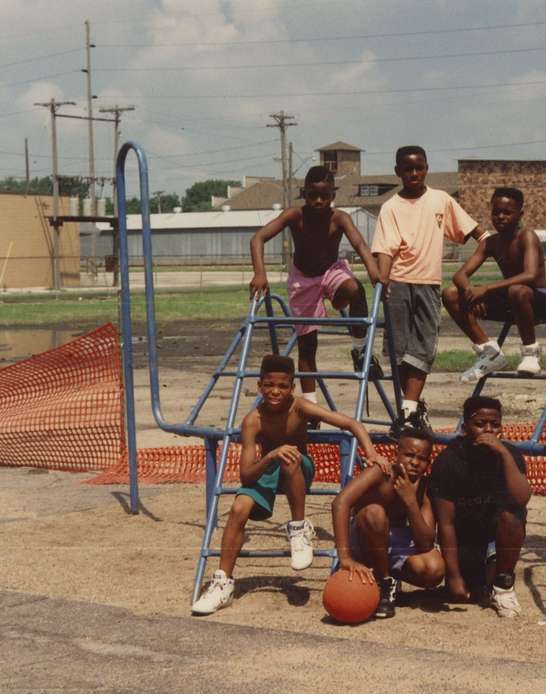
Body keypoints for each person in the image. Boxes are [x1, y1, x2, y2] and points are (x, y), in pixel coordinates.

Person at [191, 354, 389, 616]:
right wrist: (271, 454)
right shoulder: (253, 421)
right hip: (267, 469)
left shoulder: (300, 408)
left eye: (283, 386)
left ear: (292, 388)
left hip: (297, 468)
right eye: (269, 385)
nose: (275, 391)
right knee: (239, 508)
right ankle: (222, 583)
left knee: (291, 458)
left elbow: (351, 423)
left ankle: (299, 528)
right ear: (260, 385)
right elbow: (246, 476)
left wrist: (371, 452)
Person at [372, 145, 487, 436]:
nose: (413, 173)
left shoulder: (441, 200)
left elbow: (473, 231)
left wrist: (491, 243)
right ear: (398, 171)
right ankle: (411, 409)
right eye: (407, 169)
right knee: (399, 352)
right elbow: (385, 249)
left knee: (422, 349)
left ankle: (408, 412)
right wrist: (382, 280)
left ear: (426, 168)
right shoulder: (390, 207)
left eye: (419, 167)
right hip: (398, 283)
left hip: (428, 284)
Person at [249, 166, 383, 410]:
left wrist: (375, 272)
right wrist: (260, 272)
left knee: (355, 289)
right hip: (303, 280)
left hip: (331, 272)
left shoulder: (340, 218)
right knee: (307, 347)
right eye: (313, 195)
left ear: (334, 194)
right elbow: (258, 238)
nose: (319, 201)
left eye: (325, 195)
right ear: (304, 194)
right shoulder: (295, 215)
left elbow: (360, 243)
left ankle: (360, 350)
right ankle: (310, 405)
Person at [430, 396, 531, 618]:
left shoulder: (510, 455)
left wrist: (503, 454)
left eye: (495, 425)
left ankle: (504, 586)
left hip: (495, 539)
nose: (488, 430)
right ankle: (477, 578)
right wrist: (454, 576)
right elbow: (445, 524)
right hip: (464, 540)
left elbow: (522, 499)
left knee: (514, 516)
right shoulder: (449, 461)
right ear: (466, 428)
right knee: (470, 592)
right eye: (480, 424)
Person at [330, 427, 445, 619]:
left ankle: (390, 580)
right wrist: (345, 557)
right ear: (396, 453)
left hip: (394, 545)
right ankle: (384, 583)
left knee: (434, 569)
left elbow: (425, 543)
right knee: (374, 512)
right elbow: (340, 502)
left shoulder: (423, 487)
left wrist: (410, 501)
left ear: (428, 461)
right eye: (409, 455)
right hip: (365, 540)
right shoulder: (381, 473)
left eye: (422, 458)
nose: (415, 462)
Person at [442, 187, 546, 382]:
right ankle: (489, 352)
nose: (500, 216)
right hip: (509, 301)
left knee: (517, 290)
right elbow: (460, 275)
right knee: (450, 294)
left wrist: (486, 289)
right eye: (496, 212)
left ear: (520, 214)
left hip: (536, 301)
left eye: (507, 212)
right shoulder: (490, 242)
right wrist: (470, 292)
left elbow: (530, 274)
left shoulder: (526, 236)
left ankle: (530, 352)